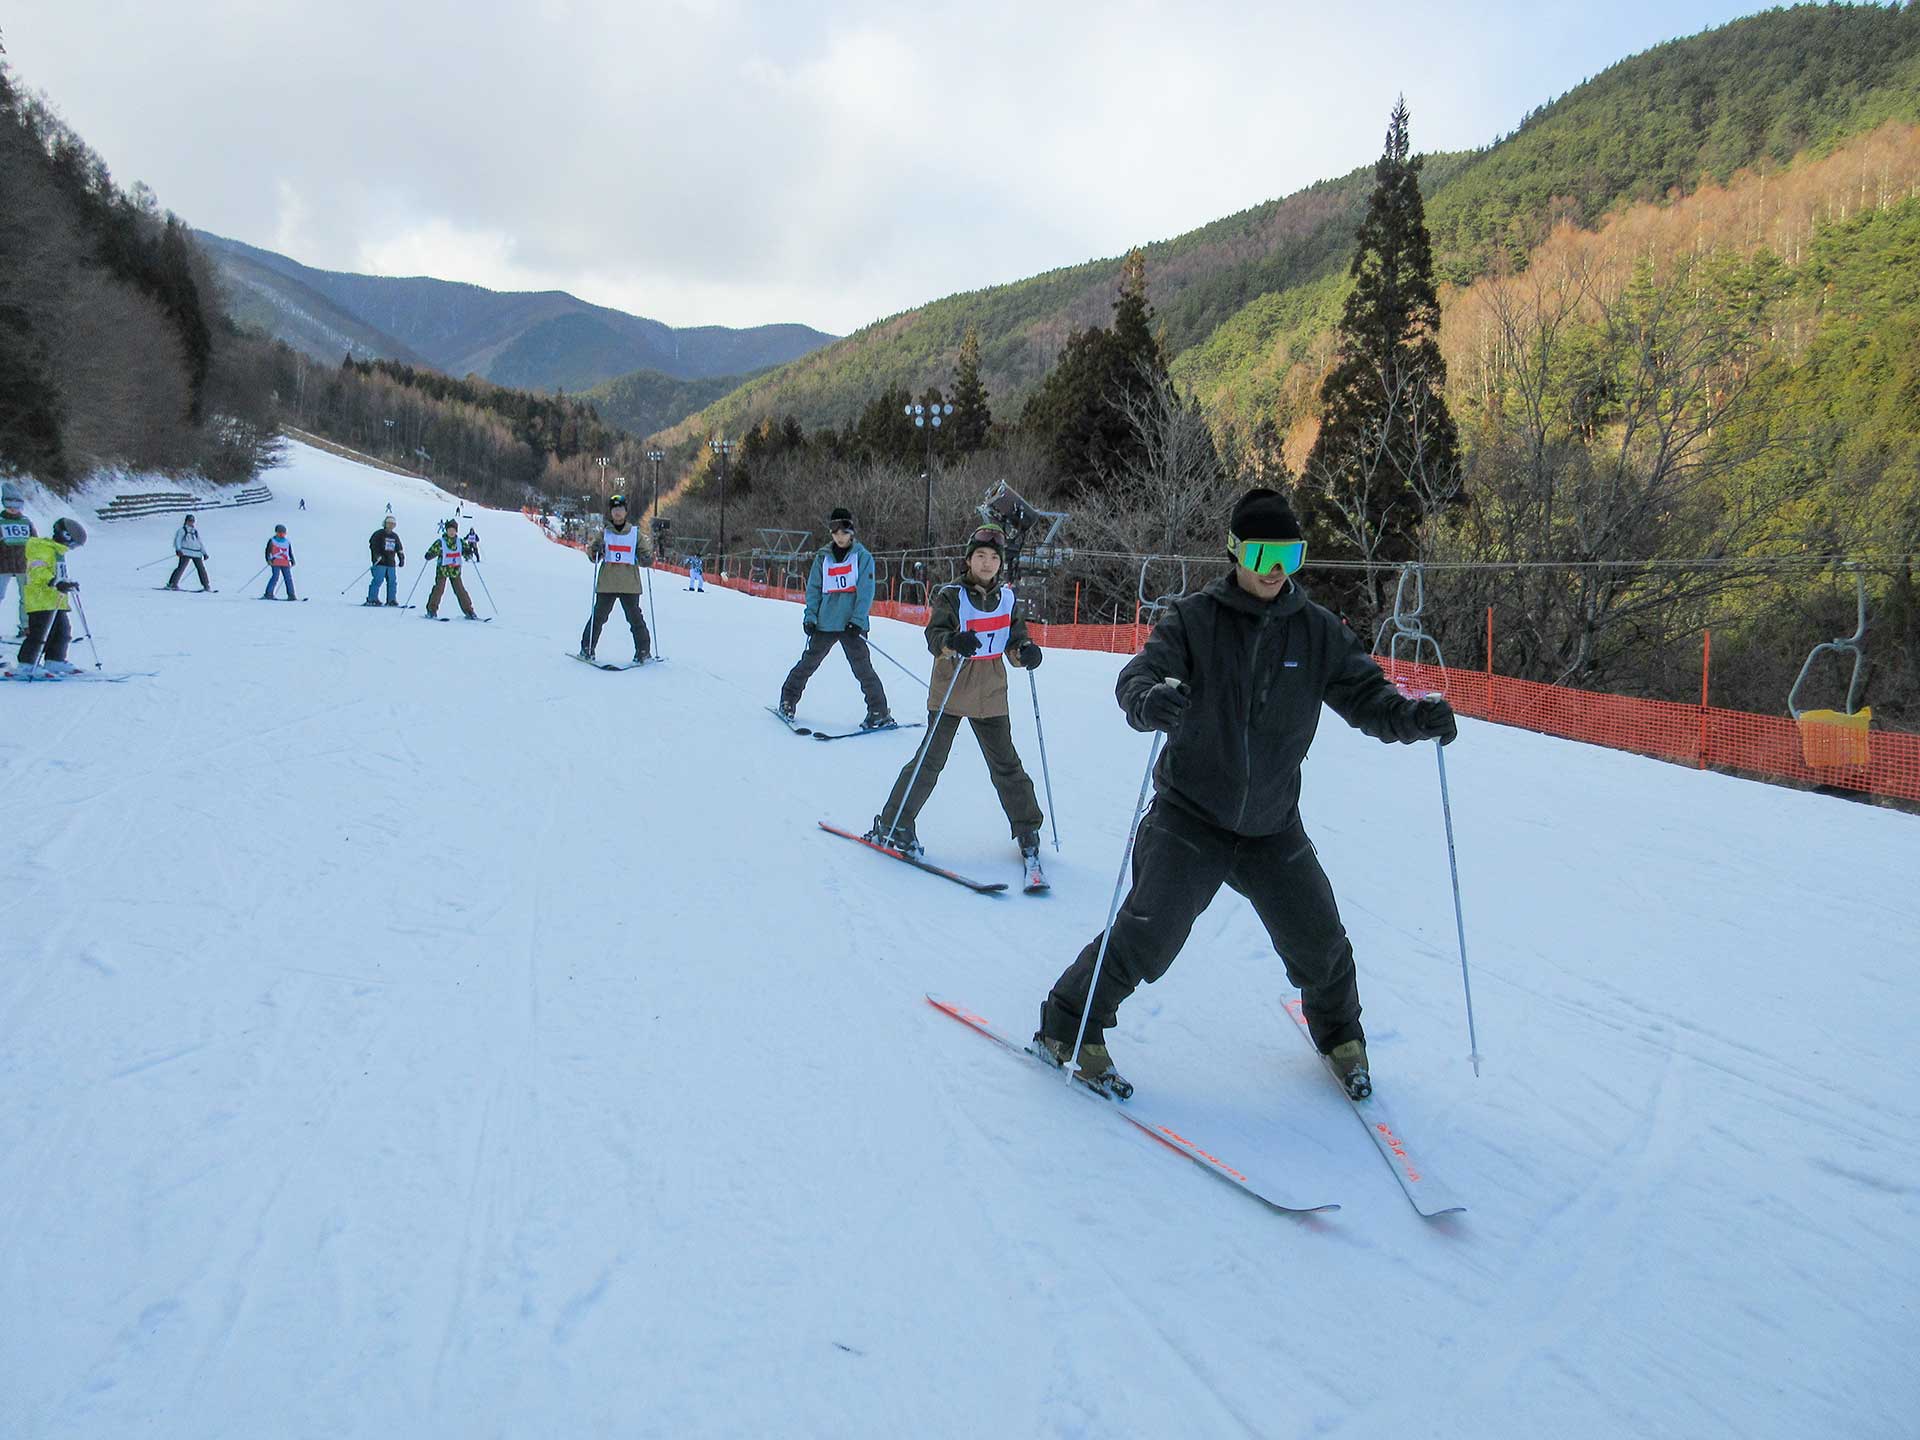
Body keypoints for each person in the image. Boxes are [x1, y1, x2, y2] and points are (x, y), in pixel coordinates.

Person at [1030, 489, 1458, 1100]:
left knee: (1321, 941)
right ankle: (1067, 1027)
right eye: (1261, 551)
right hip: (1191, 815)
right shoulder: (1195, 619)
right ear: (1235, 551)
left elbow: (1370, 700)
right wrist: (1151, 701)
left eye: (1289, 552)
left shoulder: (1316, 633)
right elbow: (1138, 677)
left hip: (1271, 825)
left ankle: (1340, 1038)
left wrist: (1414, 719)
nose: (1274, 566)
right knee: (1147, 933)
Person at [867, 523, 1044, 868]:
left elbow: (1015, 640)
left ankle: (1027, 828)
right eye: (981, 556)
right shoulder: (951, 595)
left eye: (994, 557)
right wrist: (952, 642)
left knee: (1007, 764)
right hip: (952, 687)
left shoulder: (1007, 597)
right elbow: (935, 635)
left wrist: (1027, 652)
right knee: (930, 761)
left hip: (990, 691)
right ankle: (894, 823)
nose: (988, 563)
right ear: (968, 560)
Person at [778, 507, 892, 728]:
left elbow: (866, 591)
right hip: (825, 622)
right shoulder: (823, 557)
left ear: (851, 531)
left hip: (851, 625)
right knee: (808, 663)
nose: (839, 536)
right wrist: (810, 616)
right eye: (835, 531)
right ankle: (788, 701)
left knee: (863, 669)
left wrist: (858, 620)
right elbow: (814, 588)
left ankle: (878, 710)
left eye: (844, 531)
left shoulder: (862, 557)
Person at [580, 494, 652, 660]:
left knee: (635, 619)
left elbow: (645, 554)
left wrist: (647, 558)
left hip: (629, 584)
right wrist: (595, 550)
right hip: (608, 583)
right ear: (611, 512)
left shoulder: (635, 534)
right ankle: (587, 648)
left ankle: (643, 650)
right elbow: (593, 557)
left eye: (620, 509)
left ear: (625, 511)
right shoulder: (604, 533)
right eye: (615, 509)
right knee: (598, 617)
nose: (618, 513)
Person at [11, 518, 86, 676]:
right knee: (40, 634)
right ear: (65, 535)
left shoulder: (57, 551)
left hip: (55, 600)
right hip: (40, 600)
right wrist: (55, 581)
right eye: (73, 544)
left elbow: (57, 573)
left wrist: (67, 582)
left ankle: (55, 660)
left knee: (63, 632)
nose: (72, 548)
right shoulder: (41, 548)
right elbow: (37, 571)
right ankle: (26, 664)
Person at [424, 518, 479, 620]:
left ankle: (469, 611)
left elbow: (466, 552)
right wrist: (430, 554)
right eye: (450, 530)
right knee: (438, 590)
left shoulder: (460, 542)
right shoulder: (441, 542)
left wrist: (468, 553)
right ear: (446, 530)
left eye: (453, 530)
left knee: (460, 590)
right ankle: (432, 610)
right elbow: (432, 551)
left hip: (455, 571)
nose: (451, 532)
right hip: (442, 570)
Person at [1, 481, 36, 640]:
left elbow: (34, 541)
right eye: (9, 504)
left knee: (26, 597)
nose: (13, 508)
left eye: (16, 504)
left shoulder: (26, 521)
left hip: (24, 564)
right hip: (2, 565)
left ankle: (26, 626)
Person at [365, 516, 404, 606]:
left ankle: (391, 600)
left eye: (393, 524)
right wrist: (377, 555)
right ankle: (372, 598)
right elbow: (373, 546)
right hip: (380, 562)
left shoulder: (394, 536)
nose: (391, 526)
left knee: (392, 581)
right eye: (389, 523)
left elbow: (399, 548)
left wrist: (401, 557)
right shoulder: (378, 534)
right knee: (378, 580)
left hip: (391, 563)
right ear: (385, 524)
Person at [166, 514, 211, 591]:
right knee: (181, 568)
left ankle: (206, 586)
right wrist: (178, 549)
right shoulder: (182, 530)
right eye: (190, 521)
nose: (191, 523)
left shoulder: (195, 531)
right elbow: (178, 540)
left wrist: (204, 553)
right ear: (186, 521)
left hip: (196, 553)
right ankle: (172, 584)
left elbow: (199, 543)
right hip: (185, 552)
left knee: (201, 569)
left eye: (192, 521)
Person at [263, 524, 297, 600]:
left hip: (285, 563)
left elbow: (289, 552)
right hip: (275, 562)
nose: (282, 534)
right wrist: (268, 560)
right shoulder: (272, 540)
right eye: (280, 533)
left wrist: (292, 560)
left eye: (283, 533)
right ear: (276, 532)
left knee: (288, 578)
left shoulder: (287, 542)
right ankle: (269, 593)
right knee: (275, 577)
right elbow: (267, 551)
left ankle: (291, 595)